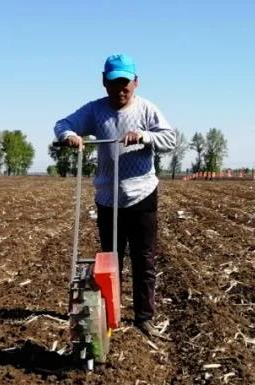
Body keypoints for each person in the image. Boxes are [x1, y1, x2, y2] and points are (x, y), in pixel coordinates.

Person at [53, 53, 176, 339]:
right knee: (111, 260)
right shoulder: (96, 110)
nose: (120, 89)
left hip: (142, 195)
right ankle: (110, 315)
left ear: (136, 82)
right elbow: (62, 124)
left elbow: (170, 139)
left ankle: (144, 318)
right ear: (104, 82)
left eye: (125, 83)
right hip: (108, 198)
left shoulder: (147, 109)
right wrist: (69, 136)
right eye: (114, 83)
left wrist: (144, 136)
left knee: (144, 260)